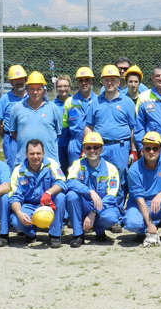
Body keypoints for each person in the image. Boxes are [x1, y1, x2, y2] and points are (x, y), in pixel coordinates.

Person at [84, 64, 138, 217]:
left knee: (119, 180)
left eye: (113, 79)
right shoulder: (95, 102)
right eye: (107, 80)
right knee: (98, 179)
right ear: (102, 82)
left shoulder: (127, 102)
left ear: (118, 82)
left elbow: (133, 128)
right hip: (99, 148)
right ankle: (98, 212)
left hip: (120, 147)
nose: (110, 83)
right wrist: (86, 148)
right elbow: (88, 126)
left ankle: (117, 213)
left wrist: (133, 150)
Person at [65, 132, 121, 247]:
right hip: (84, 204)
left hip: (101, 206)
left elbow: (111, 196)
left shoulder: (111, 169)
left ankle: (100, 231)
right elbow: (70, 182)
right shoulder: (77, 164)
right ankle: (78, 235)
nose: (92, 150)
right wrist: (90, 192)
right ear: (84, 149)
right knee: (71, 195)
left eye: (95, 147)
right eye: (88, 147)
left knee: (111, 217)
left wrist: (94, 212)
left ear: (101, 149)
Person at [9, 139, 67, 248]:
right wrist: (19, 213)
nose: (35, 156)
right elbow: (14, 196)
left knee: (61, 197)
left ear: (43, 153)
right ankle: (31, 232)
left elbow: (61, 182)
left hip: (48, 202)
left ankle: (55, 234)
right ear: (26, 154)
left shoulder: (51, 164)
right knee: (16, 220)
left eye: (38, 153)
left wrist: (49, 192)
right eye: (31, 154)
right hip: (29, 205)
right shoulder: (18, 171)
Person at [9, 71, 62, 167]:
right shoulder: (17, 108)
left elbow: (58, 133)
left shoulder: (53, 108)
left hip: (49, 161)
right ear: (27, 90)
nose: (35, 92)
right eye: (32, 89)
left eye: (38, 89)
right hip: (24, 162)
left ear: (44, 91)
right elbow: (14, 132)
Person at [63, 67, 97, 167]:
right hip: (74, 144)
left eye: (87, 80)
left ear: (92, 82)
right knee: (75, 171)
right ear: (77, 83)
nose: (84, 83)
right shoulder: (69, 102)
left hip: (94, 143)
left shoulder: (99, 101)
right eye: (81, 80)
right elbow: (65, 126)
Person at [0, 65, 28, 164]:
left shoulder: (31, 96)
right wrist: (6, 136)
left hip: (29, 137)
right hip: (11, 140)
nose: (18, 82)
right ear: (11, 82)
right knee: (13, 167)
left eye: (20, 79)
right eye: (15, 80)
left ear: (26, 79)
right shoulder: (5, 99)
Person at [54, 75, 72, 173]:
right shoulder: (51, 105)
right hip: (58, 145)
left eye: (65, 86)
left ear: (70, 87)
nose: (62, 89)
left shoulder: (76, 102)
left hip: (73, 143)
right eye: (59, 86)